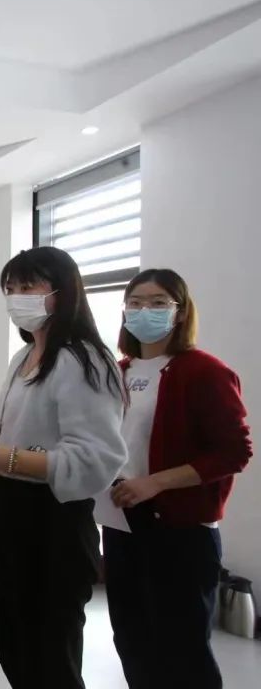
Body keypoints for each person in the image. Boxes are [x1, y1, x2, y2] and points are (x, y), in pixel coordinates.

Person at [0, 246, 127, 689]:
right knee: (16, 644)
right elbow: (34, 430)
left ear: (62, 292)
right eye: (11, 289)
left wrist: (7, 457)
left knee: (50, 654)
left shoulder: (84, 359)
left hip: (53, 520)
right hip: (11, 509)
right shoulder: (24, 357)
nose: (17, 297)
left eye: (28, 286)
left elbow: (96, 458)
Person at [101, 269, 252, 689]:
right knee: (132, 639)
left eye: (157, 302)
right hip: (122, 523)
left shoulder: (204, 371)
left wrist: (156, 482)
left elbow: (234, 452)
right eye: (135, 303)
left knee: (183, 650)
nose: (144, 310)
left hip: (180, 530)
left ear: (180, 311)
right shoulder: (119, 372)